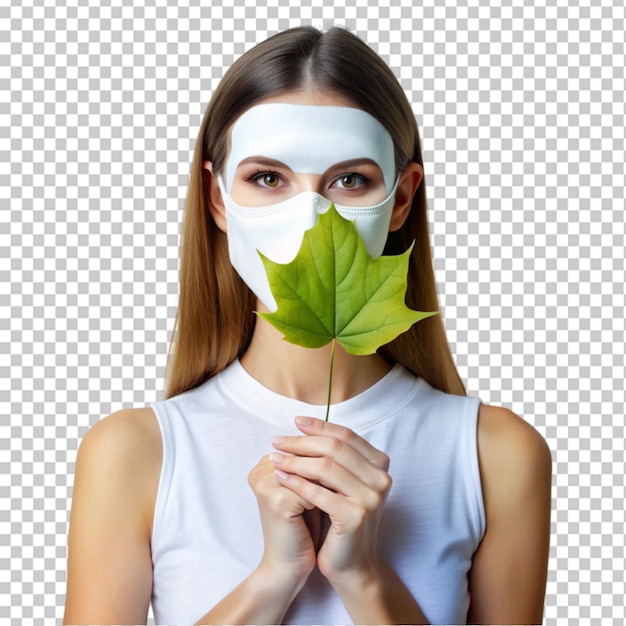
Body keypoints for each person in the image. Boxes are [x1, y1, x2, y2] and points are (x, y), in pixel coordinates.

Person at [63, 26, 552, 625]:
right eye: (268, 178)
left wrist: (363, 577)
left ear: (401, 199)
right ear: (217, 198)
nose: (309, 220)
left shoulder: (495, 454)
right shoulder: (135, 453)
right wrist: (274, 579)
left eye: (350, 181)